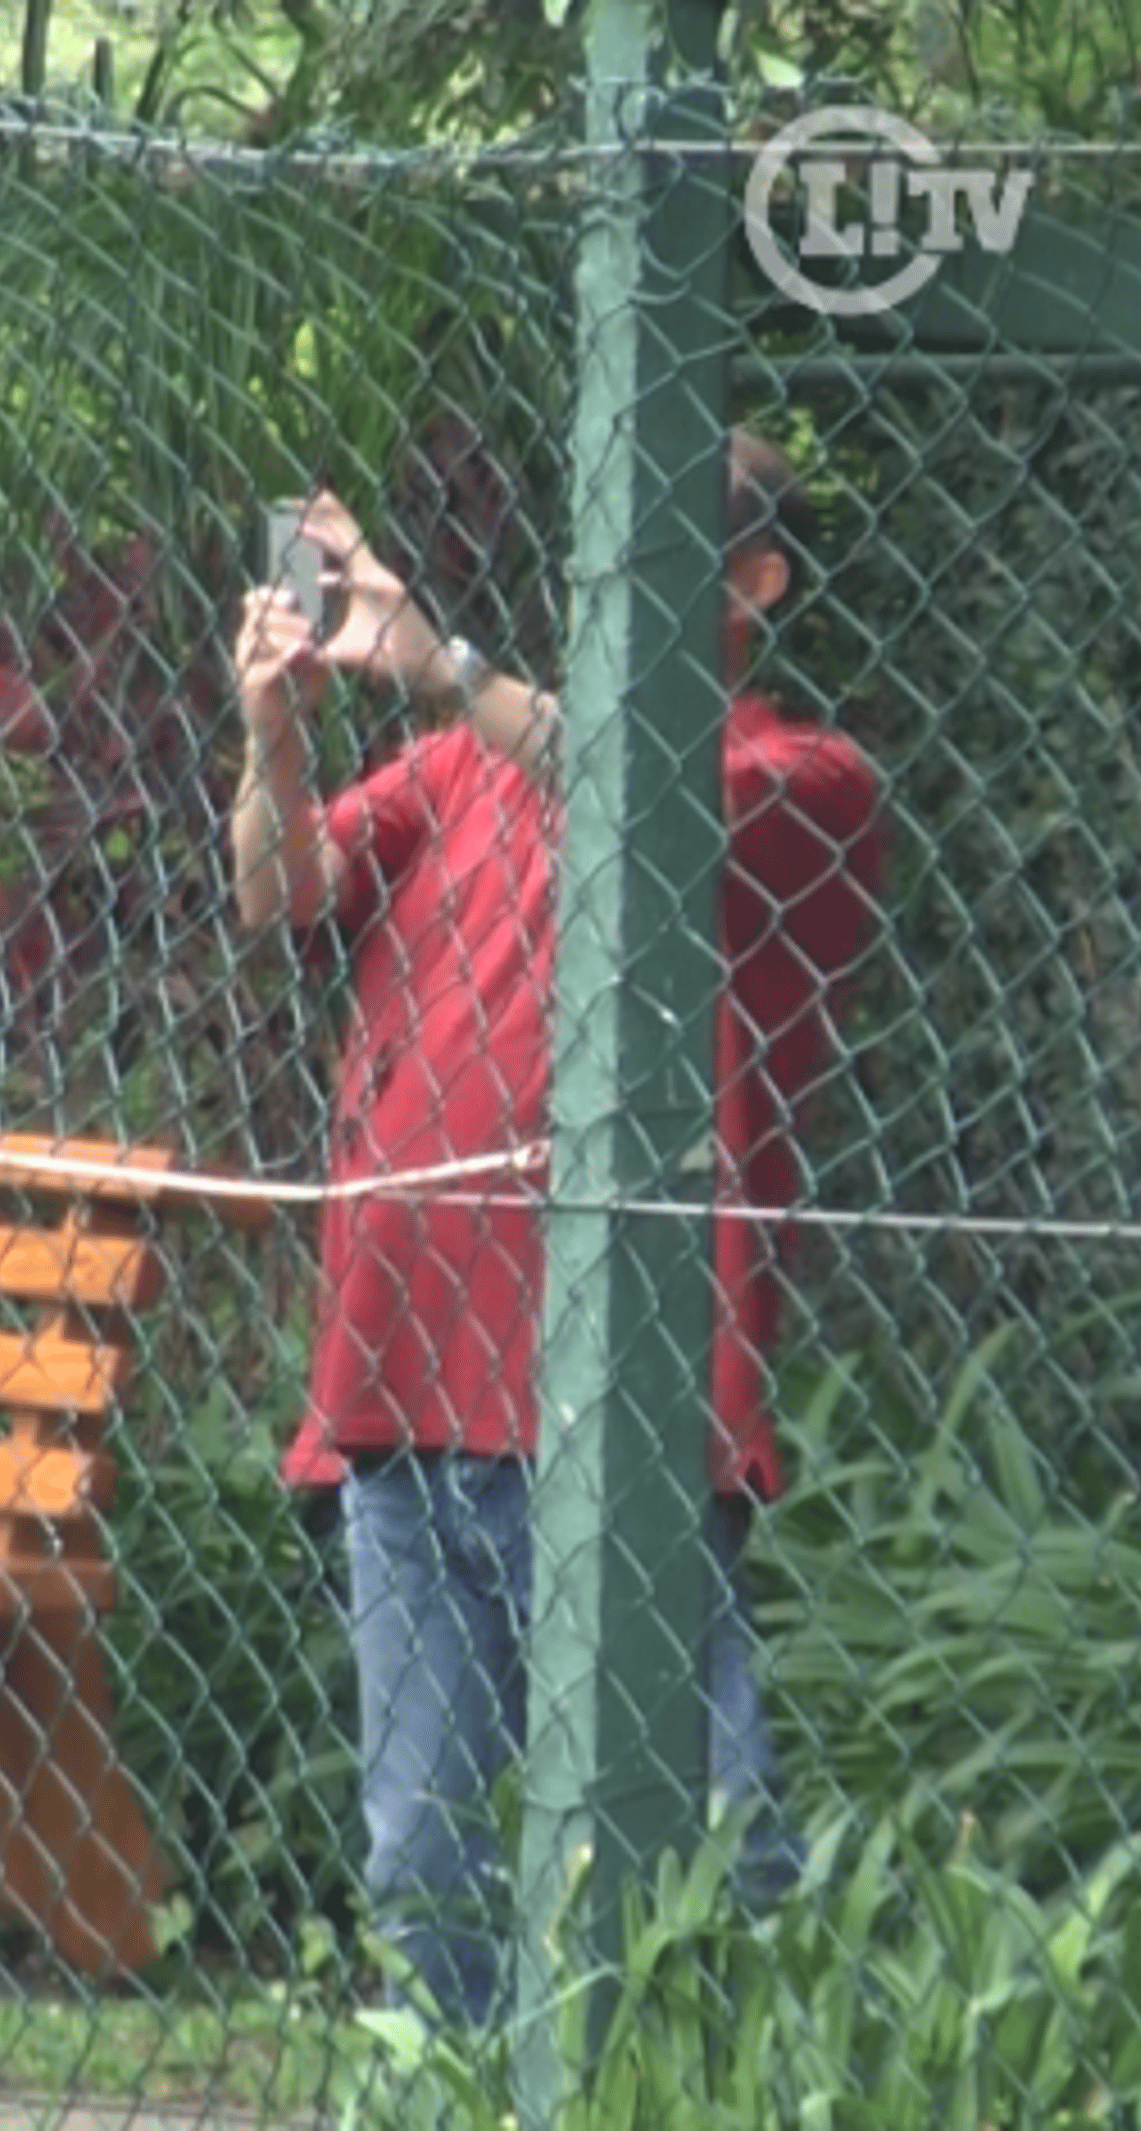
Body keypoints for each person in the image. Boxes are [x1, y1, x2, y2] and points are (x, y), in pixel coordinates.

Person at [225, 429, 888, 2025]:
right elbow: (279, 888)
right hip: (395, 1392)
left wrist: (441, 663)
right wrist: (277, 737)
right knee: (422, 1862)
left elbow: (637, 796)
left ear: (754, 582)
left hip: (625, 1415)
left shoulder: (799, 778)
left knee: (711, 1855)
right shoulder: (462, 766)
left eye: (653, 545)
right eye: (598, 544)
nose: (610, 576)